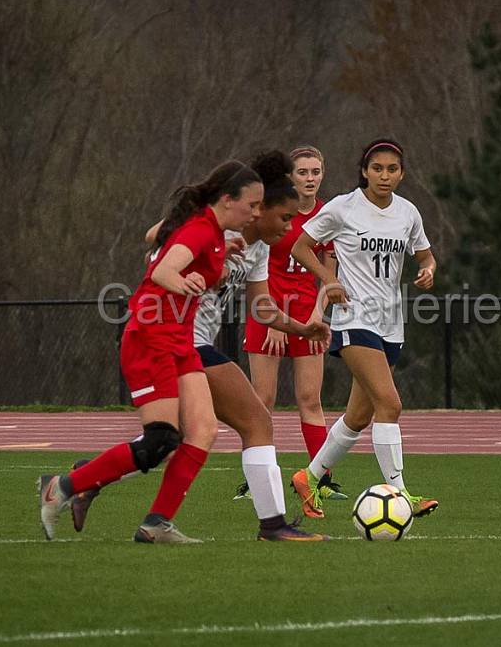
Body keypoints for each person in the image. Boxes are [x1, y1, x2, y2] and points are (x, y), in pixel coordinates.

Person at [65, 151, 332, 542]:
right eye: (285, 217)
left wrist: (302, 328)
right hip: (176, 337)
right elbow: (157, 237)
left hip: (192, 341)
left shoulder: (256, 249)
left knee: (176, 442)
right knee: (253, 423)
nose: (290, 227)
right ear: (258, 210)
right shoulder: (221, 230)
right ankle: (271, 525)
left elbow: (261, 307)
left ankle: (92, 481)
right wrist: (177, 247)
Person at [38, 159, 265, 543]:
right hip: (151, 337)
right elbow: (161, 273)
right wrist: (183, 280)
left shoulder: (208, 231)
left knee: (204, 431)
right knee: (160, 441)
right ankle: (62, 486)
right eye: (252, 205)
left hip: (179, 339)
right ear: (228, 199)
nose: (256, 213)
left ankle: (156, 524)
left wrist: (219, 256)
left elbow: (159, 244)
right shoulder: (198, 230)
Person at [288, 138, 440, 520]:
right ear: (364, 171)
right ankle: (402, 494)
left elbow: (424, 253)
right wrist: (328, 280)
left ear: (401, 173)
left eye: (392, 169)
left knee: (358, 417)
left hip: (392, 324)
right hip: (354, 320)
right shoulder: (344, 207)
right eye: (377, 169)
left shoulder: (407, 212)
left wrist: (428, 270)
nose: (384, 176)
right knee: (390, 404)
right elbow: (300, 246)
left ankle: (309, 478)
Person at [236, 145, 347, 502]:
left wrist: (317, 314)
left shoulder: (328, 215)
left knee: (310, 399)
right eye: (303, 172)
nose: (310, 179)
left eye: (316, 172)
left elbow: (329, 274)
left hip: (305, 314)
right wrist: (272, 322)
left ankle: (320, 479)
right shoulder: (274, 213)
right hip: (268, 313)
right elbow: (260, 266)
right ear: (291, 177)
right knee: (261, 402)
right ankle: (254, 482)